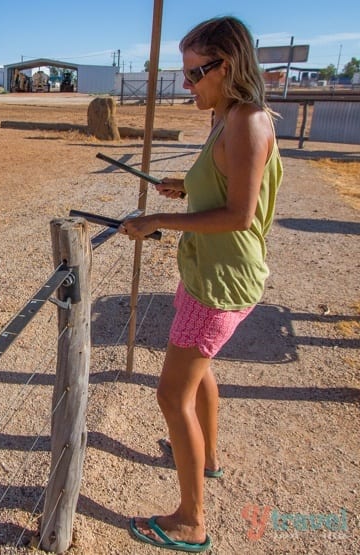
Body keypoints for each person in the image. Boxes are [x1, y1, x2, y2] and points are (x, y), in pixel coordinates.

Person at [121, 16, 283, 552]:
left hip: (221, 279)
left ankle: (191, 521)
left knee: (171, 395)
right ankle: (207, 459)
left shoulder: (248, 121)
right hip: (207, 271)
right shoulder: (226, 115)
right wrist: (183, 188)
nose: (186, 83)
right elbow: (220, 186)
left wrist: (158, 222)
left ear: (228, 65)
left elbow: (239, 214)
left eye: (195, 73)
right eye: (184, 72)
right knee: (198, 373)